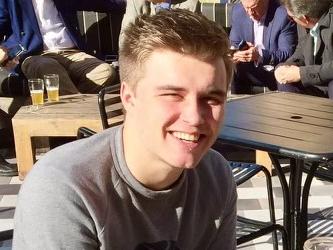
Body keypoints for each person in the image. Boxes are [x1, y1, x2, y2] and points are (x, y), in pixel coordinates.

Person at [13, 9, 237, 249]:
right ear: (129, 97)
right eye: (172, 94)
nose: (194, 117)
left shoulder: (215, 176)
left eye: (212, 98)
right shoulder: (63, 189)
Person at [0, 0, 125, 96]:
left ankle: (67, 111)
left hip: (72, 53)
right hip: (35, 55)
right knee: (48, 67)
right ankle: (78, 117)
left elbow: (100, 1)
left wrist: (134, 2)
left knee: (105, 72)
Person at [229, 0, 297, 94]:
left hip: (274, 70)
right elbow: (234, 44)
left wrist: (259, 55)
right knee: (230, 66)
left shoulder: (282, 14)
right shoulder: (238, 11)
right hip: (249, 69)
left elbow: (287, 53)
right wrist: (237, 54)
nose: (250, 13)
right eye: (247, 8)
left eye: (254, 8)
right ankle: (235, 105)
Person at [274, 0, 333, 98]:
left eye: (291, 17)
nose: (291, 20)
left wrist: (302, 73)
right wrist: (287, 67)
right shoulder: (303, 26)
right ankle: (296, 112)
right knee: (285, 78)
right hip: (314, 84)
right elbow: (301, 50)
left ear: (304, 18)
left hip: (329, 83)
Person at [119, 0, 199, 46]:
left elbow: (188, 42)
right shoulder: (136, 2)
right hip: (142, 61)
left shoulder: (190, 4)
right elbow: (125, 38)